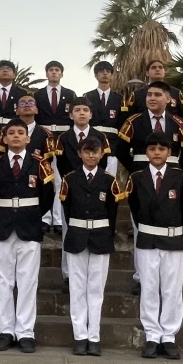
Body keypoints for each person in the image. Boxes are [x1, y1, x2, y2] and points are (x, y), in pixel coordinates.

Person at [0, 119, 55, 353]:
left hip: (29, 225)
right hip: (2, 225)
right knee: (2, 280)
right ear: (4, 138)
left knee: (27, 281)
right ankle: (5, 330)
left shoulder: (39, 163)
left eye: (20, 133)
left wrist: (31, 215)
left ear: (28, 138)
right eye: (10, 133)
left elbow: (47, 195)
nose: (15, 136)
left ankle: (25, 332)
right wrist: (2, 213)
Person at [117, 81, 183, 296]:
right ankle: (141, 277)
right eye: (149, 94)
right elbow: (121, 149)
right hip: (143, 177)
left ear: (168, 99)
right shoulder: (133, 121)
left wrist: (180, 171)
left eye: (157, 94)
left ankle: (166, 278)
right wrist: (136, 168)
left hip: (173, 178)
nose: (151, 98)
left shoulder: (179, 123)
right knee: (141, 226)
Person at [127, 133, 183, 360]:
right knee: (149, 288)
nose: (157, 152)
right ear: (146, 152)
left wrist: (178, 233)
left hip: (173, 239)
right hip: (147, 239)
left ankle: (169, 336)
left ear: (169, 152)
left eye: (162, 149)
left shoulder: (181, 177)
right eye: (152, 148)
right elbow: (135, 208)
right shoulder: (137, 178)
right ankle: (152, 335)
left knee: (172, 290)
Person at [59, 136, 123, 356]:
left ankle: (94, 336)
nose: (91, 155)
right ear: (79, 154)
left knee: (96, 289)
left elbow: (113, 213)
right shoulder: (70, 179)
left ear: (101, 154)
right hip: (77, 234)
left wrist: (105, 233)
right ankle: (80, 336)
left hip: (100, 236)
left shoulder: (108, 180)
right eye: (86, 151)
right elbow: (66, 209)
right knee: (77, 288)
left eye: (95, 152)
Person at [54, 97, 111, 291]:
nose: (81, 113)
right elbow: (61, 164)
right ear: (71, 115)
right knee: (69, 231)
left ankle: (92, 278)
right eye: (77, 109)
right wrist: (74, 181)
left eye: (85, 109)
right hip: (71, 188)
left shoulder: (100, 136)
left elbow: (103, 162)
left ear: (91, 114)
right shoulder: (63, 138)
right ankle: (69, 275)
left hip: (96, 188)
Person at [35, 60, 76, 233]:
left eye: (57, 70)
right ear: (46, 74)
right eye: (51, 70)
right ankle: (44, 218)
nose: (53, 72)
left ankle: (58, 220)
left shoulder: (70, 94)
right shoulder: (37, 95)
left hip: (63, 140)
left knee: (60, 180)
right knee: (44, 179)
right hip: (44, 139)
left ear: (62, 74)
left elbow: (74, 117)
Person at [122, 59, 183, 127]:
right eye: (153, 67)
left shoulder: (176, 93)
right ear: (147, 73)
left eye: (160, 67)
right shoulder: (137, 94)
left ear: (165, 72)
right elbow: (130, 117)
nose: (157, 69)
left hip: (170, 133)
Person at [85, 61, 125, 177]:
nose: (105, 74)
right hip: (92, 140)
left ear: (112, 75)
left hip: (112, 143)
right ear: (96, 75)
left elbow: (122, 122)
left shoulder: (120, 99)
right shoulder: (87, 96)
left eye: (108, 71)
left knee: (109, 178)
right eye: (101, 71)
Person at [0, 94, 56, 161]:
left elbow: (49, 162)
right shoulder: (5, 131)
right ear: (17, 111)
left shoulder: (46, 134)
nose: (27, 105)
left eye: (31, 103)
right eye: (22, 103)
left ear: (36, 110)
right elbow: (0, 157)